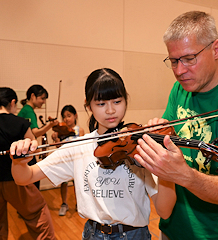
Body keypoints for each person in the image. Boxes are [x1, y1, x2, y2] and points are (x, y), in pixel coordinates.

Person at [134, 11, 218, 240]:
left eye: (189, 58)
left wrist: (185, 176)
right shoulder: (181, 88)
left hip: (217, 234)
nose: (179, 71)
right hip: (173, 228)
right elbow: (171, 133)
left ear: (216, 49)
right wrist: (160, 131)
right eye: (174, 61)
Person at [9, 68, 176, 240]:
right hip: (93, 234)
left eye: (117, 101)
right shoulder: (79, 146)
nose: (110, 110)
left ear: (126, 100)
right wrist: (19, 161)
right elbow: (24, 178)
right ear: (88, 106)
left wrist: (165, 164)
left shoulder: (139, 145)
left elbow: (164, 210)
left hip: (134, 235)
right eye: (101, 104)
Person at [0, 87, 55, 240]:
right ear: (12, 102)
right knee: (37, 213)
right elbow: (33, 149)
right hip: (17, 181)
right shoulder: (20, 123)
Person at [18, 84, 59, 189]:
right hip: (26, 152)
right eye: (42, 98)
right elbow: (35, 133)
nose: (44, 102)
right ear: (33, 96)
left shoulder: (25, 110)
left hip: (23, 151)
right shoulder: (28, 111)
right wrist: (50, 125)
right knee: (33, 184)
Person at [51, 104, 85, 216]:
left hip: (76, 160)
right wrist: (56, 139)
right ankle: (64, 204)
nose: (66, 119)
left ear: (75, 116)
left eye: (69, 116)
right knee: (64, 183)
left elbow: (80, 144)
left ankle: (79, 203)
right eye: (64, 117)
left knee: (77, 183)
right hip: (65, 160)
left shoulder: (80, 130)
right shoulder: (61, 131)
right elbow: (58, 147)